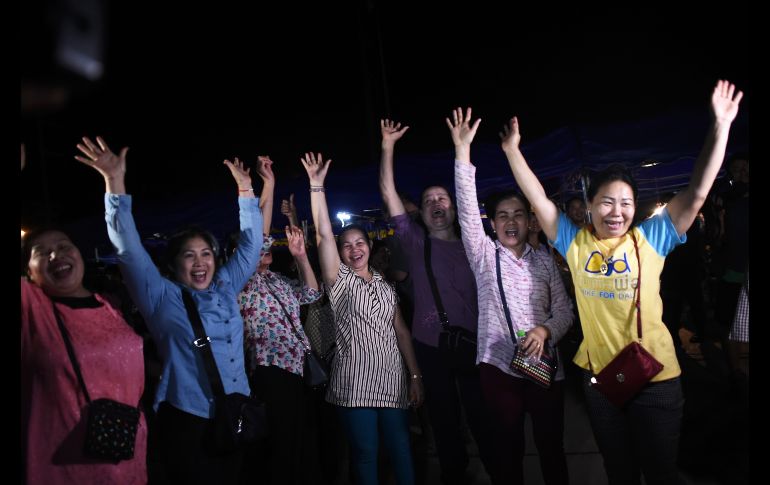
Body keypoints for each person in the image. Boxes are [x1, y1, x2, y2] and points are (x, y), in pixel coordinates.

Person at [500, 80, 743, 485]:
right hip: (599, 381)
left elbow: (698, 190)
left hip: (656, 378)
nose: (617, 211)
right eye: (607, 202)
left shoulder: (651, 238)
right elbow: (539, 200)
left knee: (661, 473)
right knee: (620, 472)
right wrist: (512, 151)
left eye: (626, 202)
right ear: (590, 205)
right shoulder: (574, 243)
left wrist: (720, 126)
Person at [75, 135, 262, 485]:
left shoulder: (224, 285)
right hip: (189, 419)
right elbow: (128, 249)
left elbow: (251, 248)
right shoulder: (160, 296)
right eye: (188, 255)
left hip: (237, 410)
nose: (199, 262)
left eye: (205, 253)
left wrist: (246, 191)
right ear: (174, 265)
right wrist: (114, 183)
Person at [448, 107, 573, 485]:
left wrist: (546, 331)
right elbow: (468, 211)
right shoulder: (484, 255)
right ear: (493, 223)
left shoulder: (545, 262)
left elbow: (565, 311)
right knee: (508, 448)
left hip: (544, 366)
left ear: (529, 220)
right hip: (498, 366)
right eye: (503, 215)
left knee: (551, 446)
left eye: (519, 214)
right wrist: (462, 152)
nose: (512, 221)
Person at [378, 118, 496, 484]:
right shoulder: (415, 241)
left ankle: (498, 471)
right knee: (444, 421)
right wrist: (387, 146)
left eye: (441, 198)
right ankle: (454, 475)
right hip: (431, 346)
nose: (435, 203)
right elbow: (387, 193)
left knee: (482, 418)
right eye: (428, 200)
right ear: (422, 212)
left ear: (454, 207)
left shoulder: (475, 244)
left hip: (475, 343)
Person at [301, 151, 423, 485]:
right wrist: (316, 186)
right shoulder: (339, 281)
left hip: (393, 379)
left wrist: (414, 376)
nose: (354, 249)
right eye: (346, 245)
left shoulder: (385, 285)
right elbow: (324, 234)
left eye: (360, 242)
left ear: (369, 246)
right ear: (340, 254)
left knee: (401, 448)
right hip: (354, 381)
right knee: (366, 454)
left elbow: (401, 331)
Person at [21, 226, 148, 485]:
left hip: (124, 451)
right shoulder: (32, 309)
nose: (56, 255)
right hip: (65, 466)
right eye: (42, 252)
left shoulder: (108, 306)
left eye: (64, 246)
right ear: (29, 273)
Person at [237, 156, 323, 485]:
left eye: (267, 246)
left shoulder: (275, 280)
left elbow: (312, 294)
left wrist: (301, 257)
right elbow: (255, 234)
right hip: (269, 371)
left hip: (297, 369)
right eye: (257, 248)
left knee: (300, 443)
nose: (265, 247)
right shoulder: (242, 282)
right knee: (280, 450)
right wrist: (268, 185)